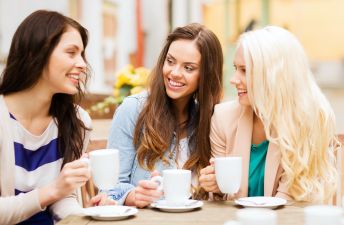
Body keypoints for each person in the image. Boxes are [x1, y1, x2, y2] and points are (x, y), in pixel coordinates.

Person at [199, 26, 338, 203]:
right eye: (235, 68)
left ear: (274, 75)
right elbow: (223, 197)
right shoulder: (223, 117)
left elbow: (289, 200)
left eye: (245, 70)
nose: (233, 80)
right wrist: (216, 186)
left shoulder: (309, 120)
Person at [0, 10, 113, 225]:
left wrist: (89, 216)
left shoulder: (78, 121)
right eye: (71, 53)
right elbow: (55, 192)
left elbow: (63, 199)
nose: (82, 64)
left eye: (82, 54)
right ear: (36, 53)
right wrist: (52, 190)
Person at [107, 23, 223, 208]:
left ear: (206, 75)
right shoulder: (133, 110)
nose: (174, 73)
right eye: (170, 61)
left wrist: (218, 186)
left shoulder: (211, 119)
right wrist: (132, 196)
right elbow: (108, 188)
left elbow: (222, 193)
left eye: (189, 68)